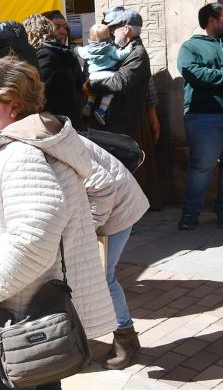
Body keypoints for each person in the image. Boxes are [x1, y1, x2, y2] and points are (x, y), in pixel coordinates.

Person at [0, 57, 116, 390]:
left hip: (17, 314)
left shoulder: (19, 151)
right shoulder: (42, 139)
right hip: (38, 308)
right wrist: (71, 238)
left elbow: (34, 231)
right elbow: (101, 188)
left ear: (13, 105)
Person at [82, 136, 149, 369]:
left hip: (117, 209)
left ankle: (125, 337)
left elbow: (102, 185)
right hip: (103, 208)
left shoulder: (49, 143)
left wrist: (87, 229)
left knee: (103, 276)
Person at [176, 2, 223, 230]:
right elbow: (192, 72)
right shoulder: (190, 47)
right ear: (212, 20)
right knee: (203, 165)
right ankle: (190, 213)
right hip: (203, 115)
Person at [88, 6, 151, 137]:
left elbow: (118, 83)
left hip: (120, 126)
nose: (112, 33)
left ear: (126, 29)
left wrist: (89, 85)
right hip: (112, 123)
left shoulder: (137, 54)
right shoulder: (124, 50)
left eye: (114, 28)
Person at [29, 13, 84, 129]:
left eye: (65, 27)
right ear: (45, 28)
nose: (63, 31)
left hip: (58, 128)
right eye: (57, 27)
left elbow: (37, 94)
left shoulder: (49, 54)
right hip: (63, 126)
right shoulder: (56, 53)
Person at [79, 23, 134, 125]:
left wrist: (73, 50)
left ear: (92, 37)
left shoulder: (88, 49)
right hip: (108, 74)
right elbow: (120, 55)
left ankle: (89, 104)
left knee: (92, 92)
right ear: (108, 36)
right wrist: (129, 48)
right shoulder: (109, 48)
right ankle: (101, 110)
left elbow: (80, 52)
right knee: (109, 93)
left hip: (93, 76)